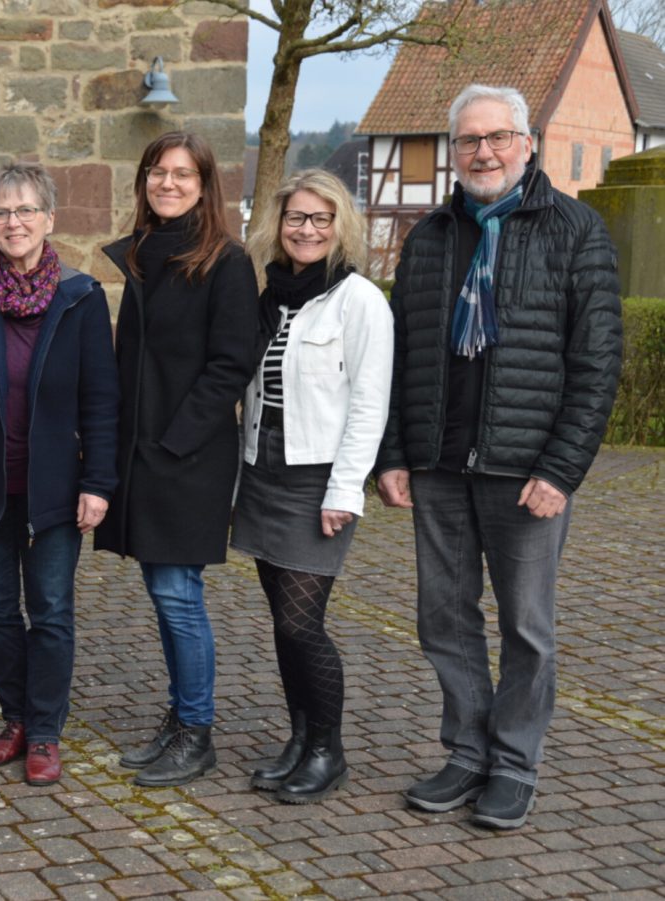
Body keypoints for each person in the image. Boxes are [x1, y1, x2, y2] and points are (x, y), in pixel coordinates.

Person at [377, 84, 622, 830]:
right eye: (468, 141)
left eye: (497, 137)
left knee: (526, 627)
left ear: (527, 142)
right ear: (454, 151)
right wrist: (393, 453)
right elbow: (400, 354)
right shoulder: (428, 238)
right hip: (439, 466)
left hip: (527, 474)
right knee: (443, 619)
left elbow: (598, 361)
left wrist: (562, 468)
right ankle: (466, 751)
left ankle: (514, 764)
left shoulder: (576, 230)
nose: (482, 152)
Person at [0, 162, 119, 786]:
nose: (14, 222)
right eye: (3, 211)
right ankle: (13, 719)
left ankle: (44, 733)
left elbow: (101, 400)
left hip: (56, 489)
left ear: (49, 220)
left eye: (26, 210)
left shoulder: (82, 297)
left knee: (53, 612)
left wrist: (99, 482)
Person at [95, 131, 259, 787]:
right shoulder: (144, 255)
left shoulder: (227, 262)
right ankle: (180, 717)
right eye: (158, 172)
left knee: (177, 593)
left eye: (182, 174)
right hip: (142, 454)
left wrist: (172, 440)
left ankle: (197, 731)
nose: (168, 183)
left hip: (186, 456)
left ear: (204, 185)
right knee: (165, 595)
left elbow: (230, 366)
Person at [234, 169, 393, 803]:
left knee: (304, 623)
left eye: (321, 219)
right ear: (279, 225)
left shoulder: (360, 301)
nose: (307, 230)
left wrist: (345, 489)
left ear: (340, 227)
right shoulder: (269, 297)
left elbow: (369, 404)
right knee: (281, 620)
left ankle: (330, 749)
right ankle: (300, 739)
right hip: (262, 466)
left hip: (317, 476)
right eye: (297, 218)